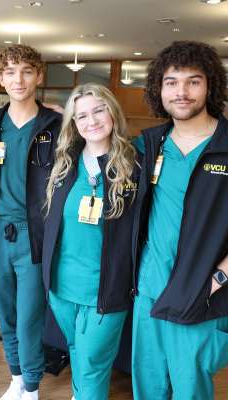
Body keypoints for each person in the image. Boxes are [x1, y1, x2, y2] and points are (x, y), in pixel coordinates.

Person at [131, 40, 228, 399]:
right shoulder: (150, 144)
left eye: (193, 81)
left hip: (203, 294)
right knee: (149, 388)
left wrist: (219, 278)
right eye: (171, 82)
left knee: (190, 390)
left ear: (210, 86)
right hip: (148, 291)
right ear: (159, 89)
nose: (181, 92)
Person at [42, 83, 139, 400]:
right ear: (73, 122)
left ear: (112, 111)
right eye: (81, 115)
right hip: (62, 287)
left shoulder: (134, 164)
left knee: (93, 364)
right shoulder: (64, 163)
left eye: (99, 110)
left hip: (106, 290)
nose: (92, 120)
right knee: (76, 352)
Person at [0, 44, 62, 400]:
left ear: (39, 76)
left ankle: (32, 384)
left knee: (29, 315)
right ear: (2, 77)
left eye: (27, 71)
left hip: (34, 234)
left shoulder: (58, 125)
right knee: (7, 313)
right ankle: (16, 376)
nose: (19, 79)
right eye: (10, 72)